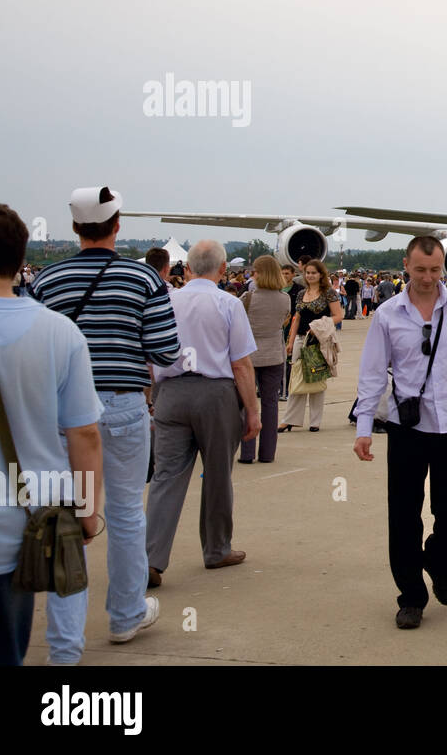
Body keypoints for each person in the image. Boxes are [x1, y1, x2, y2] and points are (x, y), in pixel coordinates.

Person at [28, 187, 179, 661]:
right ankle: (126, 614)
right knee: (126, 513)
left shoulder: (47, 281)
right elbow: (167, 351)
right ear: (117, 225)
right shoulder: (141, 279)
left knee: (64, 520)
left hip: (59, 414)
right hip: (121, 407)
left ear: (75, 229)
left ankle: (66, 634)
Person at [353, 236, 447, 629]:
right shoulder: (387, 315)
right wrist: (364, 427)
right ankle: (411, 597)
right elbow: (371, 375)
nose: (429, 278)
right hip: (407, 428)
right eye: (420, 270)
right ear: (407, 265)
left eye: (436, 270)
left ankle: (436, 562)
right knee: (403, 514)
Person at [0, 204, 106, 665]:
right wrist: (86, 511)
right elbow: (84, 435)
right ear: (23, 260)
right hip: (19, 520)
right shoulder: (59, 333)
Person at [146, 240, 261, 586]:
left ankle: (151, 558)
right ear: (223, 269)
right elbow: (241, 364)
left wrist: (156, 396)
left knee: (166, 477)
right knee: (216, 474)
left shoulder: (166, 301)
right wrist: (253, 411)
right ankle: (216, 548)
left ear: (188, 267)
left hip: (171, 392)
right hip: (215, 393)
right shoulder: (228, 303)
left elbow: (151, 357)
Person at [281, 259, 343, 433]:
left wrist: (319, 326)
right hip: (301, 339)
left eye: (313, 273)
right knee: (297, 379)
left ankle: (315, 421)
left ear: (320, 274)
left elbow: (338, 316)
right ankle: (290, 419)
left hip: (319, 341)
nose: (309, 275)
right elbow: (297, 318)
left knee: (317, 380)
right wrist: (291, 341)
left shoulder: (328, 293)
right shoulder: (302, 294)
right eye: (307, 272)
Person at [240, 255, 290, 463]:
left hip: (250, 356)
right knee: (271, 404)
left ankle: (247, 452)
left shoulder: (248, 298)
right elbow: (284, 320)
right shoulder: (284, 299)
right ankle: (268, 453)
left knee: (248, 405)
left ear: (259, 274)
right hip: (274, 355)